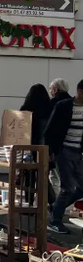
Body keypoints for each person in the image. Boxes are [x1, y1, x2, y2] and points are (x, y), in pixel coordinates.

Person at [44, 77, 83, 235]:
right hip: (63, 150)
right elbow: (49, 130)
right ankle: (55, 221)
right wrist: (49, 152)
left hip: (78, 151)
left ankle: (56, 207)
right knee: (67, 187)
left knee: (81, 187)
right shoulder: (64, 106)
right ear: (79, 91)